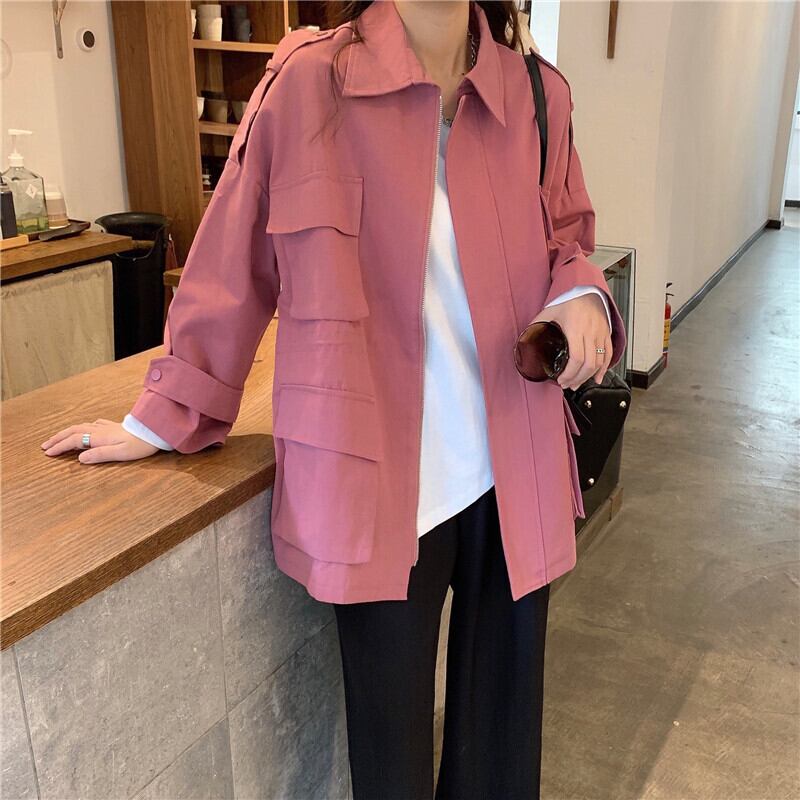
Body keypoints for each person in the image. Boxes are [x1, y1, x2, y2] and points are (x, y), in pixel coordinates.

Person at [41, 2, 626, 797]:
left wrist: (582, 295)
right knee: (390, 762)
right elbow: (233, 260)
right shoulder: (311, 83)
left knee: (501, 752)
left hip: (516, 462)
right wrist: (165, 414)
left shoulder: (536, 93)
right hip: (375, 483)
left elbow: (569, 236)